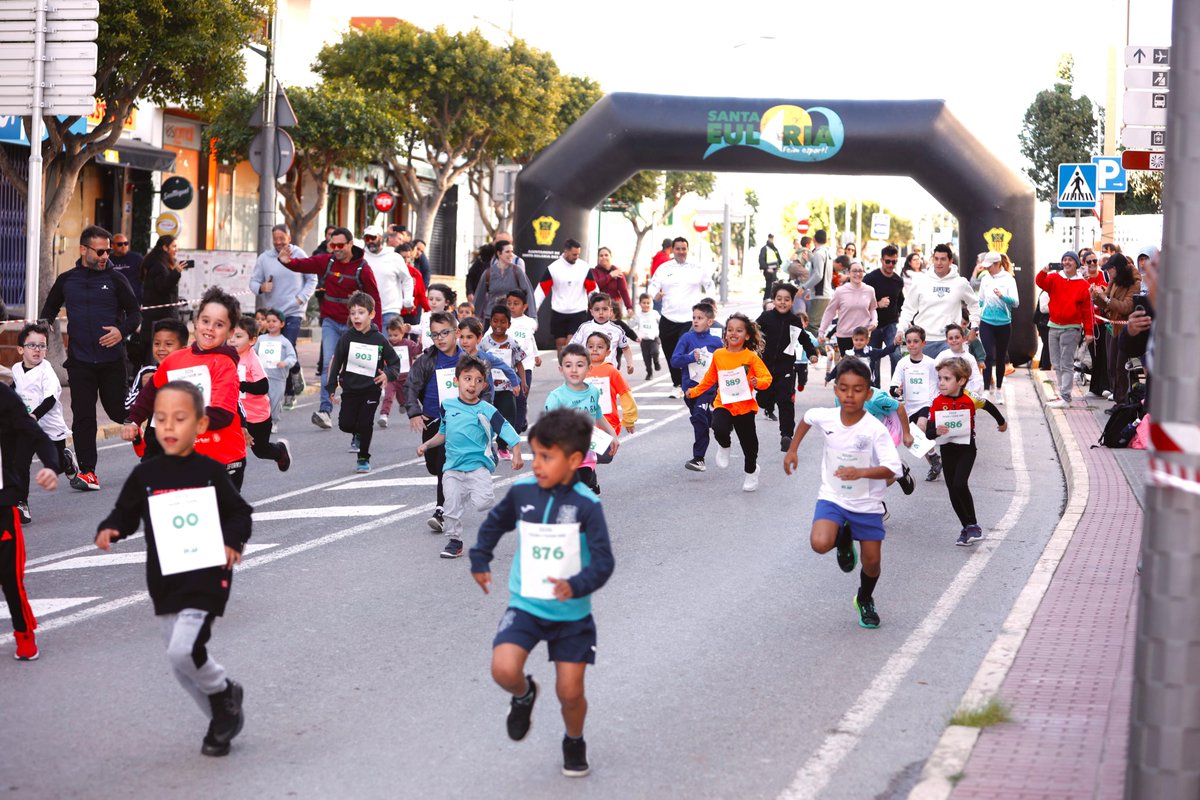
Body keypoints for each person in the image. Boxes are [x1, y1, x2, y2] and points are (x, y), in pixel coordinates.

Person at [96, 380, 252, 757]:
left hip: (207, 572)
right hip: (165, 578)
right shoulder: (146, 474)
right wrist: (111, 527)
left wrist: (232, 541)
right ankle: (221, 715)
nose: (167, 427)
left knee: (184, 652)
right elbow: (126, 512)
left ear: (199, 425)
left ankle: (222, 690)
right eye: (160, 419)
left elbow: (239, 512)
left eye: (179, 419)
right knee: (181, 664)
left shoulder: (209, 472)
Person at [469, 407, 614, 779]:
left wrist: (577, 585)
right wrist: (480, 558)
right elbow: (494, 524)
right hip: (527, 605)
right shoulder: (522, 492)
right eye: (536, 454)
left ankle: (574, 739)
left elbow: (604, 562)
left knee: (569, 692)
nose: (537, 464)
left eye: (547, 457)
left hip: (571, 615)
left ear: (575, 460)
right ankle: (523, 694)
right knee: (503, 669)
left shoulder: (587, 505)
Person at [782, 358, 903, 629]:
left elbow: (893, 470)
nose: (850, 395)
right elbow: (806, 419)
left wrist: (861, 473)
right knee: (819, 543)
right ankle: (842, 537)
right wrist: (793, 450)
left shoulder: (875, 430)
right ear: (836, 389)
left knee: (872, 564)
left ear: (869, 393)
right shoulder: (826, 416)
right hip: (833, 497)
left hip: (867, 503)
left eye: (858, 389)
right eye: (844, 388)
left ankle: (864, 598)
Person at [40, 224, 141, 491]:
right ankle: (88, 472)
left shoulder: (117, 280)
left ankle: (147, 432)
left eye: (108, 251)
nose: (105, 256)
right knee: (83, 416)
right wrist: (44, 326)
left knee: (117, 411)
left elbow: (135, 314)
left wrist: (121, 331)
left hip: (111, 362)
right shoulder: (67, 280)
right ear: (84, 250)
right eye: (100, 251)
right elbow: (49, 308)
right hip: (80, 361)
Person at [123, 287, 247, 489]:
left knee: (215, 519)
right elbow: (151, 393)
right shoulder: (174, 360)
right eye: (205, 321)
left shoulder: (225, 364)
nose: (209, 328)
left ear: (230, 332)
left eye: (219, 325)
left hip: (222, 458)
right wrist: (133, 420)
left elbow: (222, 414)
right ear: (196, 321)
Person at [276, 227, 383, 430]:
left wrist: (375, 327)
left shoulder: (363, 269)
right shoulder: (327, 261)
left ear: (351, 244)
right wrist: (287, 262)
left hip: (356, 325)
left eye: (340, 245)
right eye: (332, 245)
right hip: (331, 321)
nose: (336, 249)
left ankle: (359, 412)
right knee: (328, 365)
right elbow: (303, 265)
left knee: (357, 369)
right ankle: (325, 410)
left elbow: (374, 298)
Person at [418, 356, 524, 559]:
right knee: (450, 505)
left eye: (478, 380)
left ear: (484, 385)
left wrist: (516, 452)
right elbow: (443, 433)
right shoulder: (447, 406)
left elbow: (506, 429)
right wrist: (427, 444)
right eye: (467, 378)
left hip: (478, 466)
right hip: (453, 467)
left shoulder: (486, 409)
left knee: (483, 502)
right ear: (456, 380)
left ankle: (466, 493)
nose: (472, 384)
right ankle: (454, 541)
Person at [0, 379, 60, 661]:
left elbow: (37, 436)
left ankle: (24, 634)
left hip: (1, 504)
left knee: (10, 579)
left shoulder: (4, 397)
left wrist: (51, 466)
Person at [686, 313, 772, 492]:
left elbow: (766, 377)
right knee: (719, 427)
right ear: (725, 334)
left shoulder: (751, 357)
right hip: (723, 403)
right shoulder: (719, 355)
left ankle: (751, 471)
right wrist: (694, 392)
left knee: (749, 445)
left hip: (744, 406)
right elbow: (709, 379)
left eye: (739, 330)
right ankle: (724, 445)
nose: (734, 333)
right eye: (730, 330)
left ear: (747, 335)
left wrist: (758, 382)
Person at [926, 357, 1007, 545]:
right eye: (940, 378)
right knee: (952, 490)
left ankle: (973, 524)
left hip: (967, 448)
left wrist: (1001, 422)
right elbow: (929, 432)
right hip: (947, 449)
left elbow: (988, 405)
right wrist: (935, 431)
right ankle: (967, 526)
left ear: (961, 381)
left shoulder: (970, 398)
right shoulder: (937, 402)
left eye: (947, 379)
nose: (941, 383)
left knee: (960, 484)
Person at [326, 292, 403, 473]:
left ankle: (363, 458)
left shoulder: (379, 339)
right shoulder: (347, 337)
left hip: (371, 389)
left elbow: (394, 363)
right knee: (346, 424)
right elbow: (337, 361)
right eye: (353, 313)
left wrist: (387, 375)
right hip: (350, 389)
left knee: (365, 422)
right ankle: (357, 433)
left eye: (361, 312)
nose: (356, 317)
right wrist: (331, 386)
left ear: (371, 314)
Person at [406, 312, 466, 532]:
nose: (440, 338)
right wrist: (413, 412)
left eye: (445, 333)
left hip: (458, 424)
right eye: (435, 334)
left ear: (456, 333)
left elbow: (484, 388)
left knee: (444, 467)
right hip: (432, 421)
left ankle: (441, 510)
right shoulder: (426, 360)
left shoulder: (467, 361)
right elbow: (411, 386)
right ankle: (456, 489)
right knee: (434, 465)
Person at [11, 323, 73, 523]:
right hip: (27, 429)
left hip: (49, 428)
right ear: (21, 349)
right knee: (20, 463)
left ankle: (66, 460)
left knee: (55, 466)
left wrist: (35, 416)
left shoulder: (47, 371)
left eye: (42, 346)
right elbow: (16, 388)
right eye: (32, 345)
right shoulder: (16, 369)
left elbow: (50, 400)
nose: (37, 350)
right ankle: (21, 503)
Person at [249, 224, 315, 410]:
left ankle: (290, 389)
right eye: (275, 239)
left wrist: (301, 298)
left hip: (294, 310)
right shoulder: (265, 258)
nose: (278, 242)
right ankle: (292, 381)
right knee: (279, 352)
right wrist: (262, 288)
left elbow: (312, 279)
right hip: (274, 313)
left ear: (289, 237)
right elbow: (253, 282)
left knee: (288, 345)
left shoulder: (299, 254)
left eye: (281, 238)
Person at [544, 344, 620, 495]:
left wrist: (612, 434)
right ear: (561, 369)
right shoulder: (556, 397)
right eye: (568, 365)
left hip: (586, 453)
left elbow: (597, 413)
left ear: (589, 369)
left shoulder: (593, 390)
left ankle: (589, 483)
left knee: (580, 491)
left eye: (579, 365)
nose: (573, 370)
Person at [648, 237, 716, 398]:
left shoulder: (697, 267)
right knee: (671, 353)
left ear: (687, 249)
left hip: (689, 319)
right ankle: (677, 383)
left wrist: (710, 303)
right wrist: (654, 295)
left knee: (684, 350)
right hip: (668, 317)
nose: (681, 252)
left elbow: (709, 285)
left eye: (683, 248)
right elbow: (652, 286)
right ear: (672, 250)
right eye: (677, 249)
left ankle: (689, 383)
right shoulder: (664, 268)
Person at [756, 283, 818, 452]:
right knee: (763, 400)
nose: (782, 303)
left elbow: (804, 339)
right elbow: (752, 332)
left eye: (787, 300)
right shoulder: (766, 317)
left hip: (785, 368)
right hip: (765, 368)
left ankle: (786, 436)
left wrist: (812, 353)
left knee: (785, 402)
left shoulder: (794, 320)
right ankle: (767, 402)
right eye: (779, 299)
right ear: (774, 300)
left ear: (792, 302)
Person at [895, 243, 979, 357]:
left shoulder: (960, 283)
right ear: (932, 260)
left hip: (949, 341)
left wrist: (974, 327)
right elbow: (908, 308)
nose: (939, 263)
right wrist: (900, 329)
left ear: (950, 261)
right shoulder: (921, 281)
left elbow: (974, 305)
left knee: (948, 375)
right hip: (924, 340)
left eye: (943, 259)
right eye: (936, 259)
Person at [229, 317, 291, 472]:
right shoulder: (228, 357)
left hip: (257, 416)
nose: (233, 340)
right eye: (231, 336)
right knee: (231, 450)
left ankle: (280, 451)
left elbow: (263, 386)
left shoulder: (252, 359)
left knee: (261, 451)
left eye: (238, 337)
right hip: (235, 414)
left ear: (252, 340)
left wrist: (240, 385)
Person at [1035, 251, 1096, 408]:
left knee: (1066, 362)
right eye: (1064, 260)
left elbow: (1087, 311)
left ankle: (1065, 396)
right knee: (1056, 361)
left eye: (1070, 260)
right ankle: (1062, 393)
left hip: (1072, 328)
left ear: (1076, 263)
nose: (1067, 262)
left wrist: (1089, 331)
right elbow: (1040, 282)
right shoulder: (1055, 278)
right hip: (1053, 326)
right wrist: (1045, 269)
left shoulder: (1083, 285)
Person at [125, 319, 189, 462]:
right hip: (155, 434)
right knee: (148, 478)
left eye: (168, 344)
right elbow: (129, 404)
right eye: (157, 343)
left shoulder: (190, 373)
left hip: (184, 436)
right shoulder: (147, 372)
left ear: (183, 349)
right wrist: (144, 387)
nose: (161, 349)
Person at [671, 301, 724, 472]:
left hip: (709, 389)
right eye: (694, 317)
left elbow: (725, 362)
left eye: (700, 318)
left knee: (699, 416)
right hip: (690, 389)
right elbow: (675, 360)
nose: (695, 321)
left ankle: (698, 458)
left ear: (709, 321)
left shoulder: (716, 341)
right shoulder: (687, 338)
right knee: (700, 420)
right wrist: (690, 357)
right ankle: (716, 423)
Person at [890, 325, 943, 481]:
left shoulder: (931, 363)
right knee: (919, 438)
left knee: (921, 428)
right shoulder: (903, 363)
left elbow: (943, 380)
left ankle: (934, 459)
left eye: (916, 341)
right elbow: (893, 387)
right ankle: (934, 463)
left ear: (923, 343)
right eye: (909, 342)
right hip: (911, 406)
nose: (912, 344)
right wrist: (896, 391)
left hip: (928, 402)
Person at [1092, 253, 1141, 404]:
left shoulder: (1134, 282)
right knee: (1111, 365)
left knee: (1121, 367)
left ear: (1117, 268)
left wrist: (1106, 298)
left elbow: (1127, 307)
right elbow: (1105, 302)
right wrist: (1096, 296)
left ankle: (1122, 402)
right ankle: (1117, 398)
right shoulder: (1114, 280)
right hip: (1113, 327)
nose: (1108, 273)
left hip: (1127, 330)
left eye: (1110, 269)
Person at [481, 305, 529, 455]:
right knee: (487, 416)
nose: (499, 325)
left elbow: (519, 364)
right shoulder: (484, 342)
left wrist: (523, 381)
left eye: (503, 322)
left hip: (508, 387)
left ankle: (502, 446)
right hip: (488, 388)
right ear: (490, 322)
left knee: (508, 415)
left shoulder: (513, 343)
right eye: (495, 321)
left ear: (509, 324)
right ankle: (486, 443)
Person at [972, 252, 1019, 404]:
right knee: (987, 356)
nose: (987, 269)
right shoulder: (985, 278)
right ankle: (986, 389)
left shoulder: (1008, 279)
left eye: (990, 266)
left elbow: (1016, 302)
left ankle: (999, 390)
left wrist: (1002, 296)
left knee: (1000, 357)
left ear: (998, 264)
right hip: (986, 322)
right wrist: (977, 320)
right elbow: (980, 301)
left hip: (1004, 323)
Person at [532, 238, 594, 351]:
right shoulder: (553, 268)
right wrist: (533, 310)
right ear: (566, 251)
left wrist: (596, 305)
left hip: (578, 312)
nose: (577, 257)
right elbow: (541, 290)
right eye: (574, 254)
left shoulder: (584, 267)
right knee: (560, 347)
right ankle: (563, 368)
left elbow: (592, 290)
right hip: (558, 313)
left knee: (570, 345)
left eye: (578, 254)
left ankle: (571, 367)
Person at [584, 333, 638, 445]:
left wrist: (629, 419)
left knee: (599, 456)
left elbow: (625, 394)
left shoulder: (612, 371)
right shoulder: (581, 370)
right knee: (586, 456)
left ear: (608, 352)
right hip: (584, 422)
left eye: (599, 347)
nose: (594, 350)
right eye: (590, 346)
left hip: (608, 423)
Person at [862, 244, 905, 385]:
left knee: (896, 355)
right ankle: (876, 390)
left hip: (891, 323)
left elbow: (901, 301)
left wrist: (902, 319)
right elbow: (861, 302)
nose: (891, 265)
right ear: (881, 260)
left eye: (894, 262)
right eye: (888, 261)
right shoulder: (870, 278)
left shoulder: (898, 280)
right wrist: (877, 304)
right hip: (873, 324)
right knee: (873, 358)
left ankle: (895, 387)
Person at [819, 260, 879, 356]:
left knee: (863, 366)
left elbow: (873, 309)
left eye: (860, 271)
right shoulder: (840, 291)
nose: (857, 274)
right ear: (848, 273)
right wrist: (822, 331)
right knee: (848, 368)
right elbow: (830, 312)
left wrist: (874, 321)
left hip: (862, 335)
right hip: (844, 335)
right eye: (854, 271)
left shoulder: (870, 290)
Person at [502, 289, 541, 433]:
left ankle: (516, 431)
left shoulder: (529, 322)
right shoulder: (503, 320)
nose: (512, 306)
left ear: (524, 306)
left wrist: (536, 354)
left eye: (516, 304)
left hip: (526, 365)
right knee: (509, 399)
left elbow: (531, 339)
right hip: (507, 365)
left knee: (521, 397)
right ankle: (517, 419)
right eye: (509, 303)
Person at [477, 239, 539, 330]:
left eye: (512, 251)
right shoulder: (488, 273)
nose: (511, 255)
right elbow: (478, 298)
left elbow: (529, 293)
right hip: (491, 318)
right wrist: (474, 319)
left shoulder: (517, 271)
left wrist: (533, 317)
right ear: (499, 253)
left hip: (512, 319)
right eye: (507, 252)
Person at [360, 224, 413, 328]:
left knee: (386, 343)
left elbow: (407, 279)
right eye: (367, 238)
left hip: (390, 310)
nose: (370, 241)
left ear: (381, 238)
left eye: (373, 237)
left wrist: (407, 300)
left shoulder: (394, 257)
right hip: (365, 311)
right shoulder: (361, 257)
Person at [568, 292, 634, 373]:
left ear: (610, 311)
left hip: (609, 372)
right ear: (591, 312)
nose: (601, 312)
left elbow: (626, 348)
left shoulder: (617, 330)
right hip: (588, 371)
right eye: (597, 309)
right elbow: (572, 346)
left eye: (604, 309)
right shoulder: (585, 328)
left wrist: (630, 363)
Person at [254, 310, 299, 429]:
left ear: (282, 324)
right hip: (262, 376)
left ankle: (273, 421)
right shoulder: (261, 339)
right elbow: (252, 353)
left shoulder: (285, 341)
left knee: (274, 401)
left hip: (278, 378)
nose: (271, 324)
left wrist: (285, 362)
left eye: (274, 321)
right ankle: (262, 421)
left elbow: (292, 357)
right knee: (261, 400)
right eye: (268, 321)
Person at [140, 235, 186, 345]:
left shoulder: (158, 262)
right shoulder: (159, 265)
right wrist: (176, 272)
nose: (176, 249)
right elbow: (163, 287)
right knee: (161, 345)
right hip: (161, 316)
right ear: (165, 248)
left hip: (158, 315)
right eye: (174, 246)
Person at [377, 317, 421, 429]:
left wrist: (420, 343)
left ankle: (402, 404)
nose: (392, 338)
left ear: (402, 333)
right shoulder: (387, 345)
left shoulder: (408, 344)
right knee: (388, 396)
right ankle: (384, 415)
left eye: (395, 335)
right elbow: (380, 357)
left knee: (404, 397)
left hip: (405, 378)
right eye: (390, 335)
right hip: (391, 377)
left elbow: (416, 351)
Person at [933, 323, 984, 396]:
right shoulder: (942, 356)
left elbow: (976, 380)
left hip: (964, 397)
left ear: (963, 338)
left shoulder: (969, 358)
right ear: (946, 341)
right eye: (951, 338)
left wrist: (966, 395)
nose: (954, 340)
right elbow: (934, 378)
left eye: (957, 337)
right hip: (944, 397)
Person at [591, 247, 632, 315]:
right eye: (601, 255)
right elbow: (596, 285)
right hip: (599, 309)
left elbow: (624, 291)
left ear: (611, 257)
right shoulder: (593, 271)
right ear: (598, 258)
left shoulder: (617, 272)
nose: (604, 257)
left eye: (606, 255)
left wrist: (629, 307)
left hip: (613, 309)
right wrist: (610, 276)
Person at [108, 233, 145, 305]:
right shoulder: (108, 259)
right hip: (114, 299)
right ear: (112, 245)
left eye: (126, 243)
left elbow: (145, 275)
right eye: (120, 244)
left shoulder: (137, 258)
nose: (123, 246)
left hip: (134, 298)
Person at [631, 293, 662, 380]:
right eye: (644, 303)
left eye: (648, 303)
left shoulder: (654, 313)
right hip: (644, 340)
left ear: (651, 303)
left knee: (655, 351)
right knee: (646, 359)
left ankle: (656, 361)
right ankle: (649, 373)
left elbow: (662, 322)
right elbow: (632, 325)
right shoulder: (638, 315)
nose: (646, 305)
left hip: (654, 338)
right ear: (640, 304)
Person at [800, 229, 831, 302]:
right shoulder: (827, 252)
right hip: (825, 294)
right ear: (826, 240)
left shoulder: (819, 253)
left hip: (820, 295)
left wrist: (804, 287)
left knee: (813, 314)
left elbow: (818, 275)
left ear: (814, 239)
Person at [758, 233, 783, 303]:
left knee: (774, 285)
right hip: (768, 270)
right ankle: (766, 300)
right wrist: (766, 268)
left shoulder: (774, 248)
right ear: (768, 238)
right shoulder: (765, 248)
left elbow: (777, 259)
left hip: (774, 270)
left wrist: (778, 266)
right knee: (769, 285)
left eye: (772, 238)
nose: (772, 239)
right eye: (771, 238)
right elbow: (761, 260)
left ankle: (771, 299)